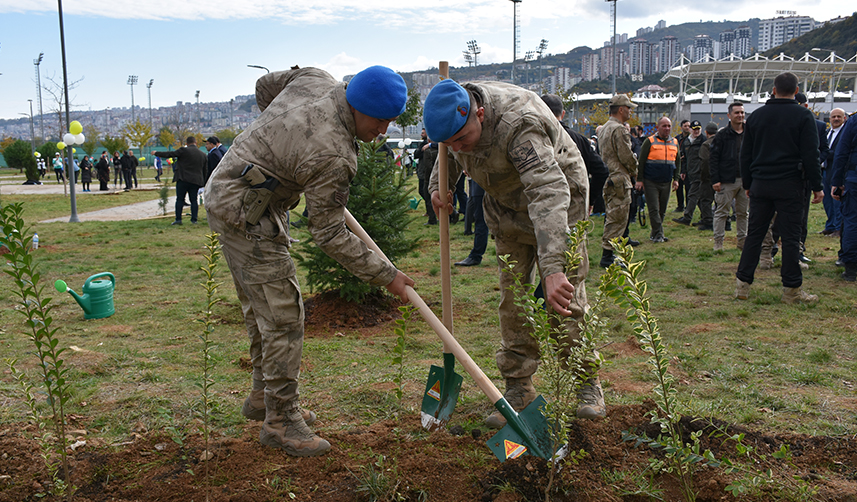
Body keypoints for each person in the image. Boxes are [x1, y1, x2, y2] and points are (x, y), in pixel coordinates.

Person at [204, 65, 414, 457]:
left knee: (261, 307)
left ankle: (263, 397)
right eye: (380, 121)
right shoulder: (333, 153)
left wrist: (279, 141)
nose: (384, 131)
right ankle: (281, 422)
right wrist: (388, 277)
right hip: (246, 213)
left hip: (230, 192)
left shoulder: (314, 78)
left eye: (391, 122)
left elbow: (264, 87)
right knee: (283, 315)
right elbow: (329, 233)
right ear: (358, 105)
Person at [424, 78, 602, 429]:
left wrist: (553, 268)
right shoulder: (453, 122)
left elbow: (548, 191)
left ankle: (586, 383)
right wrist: (438, 187)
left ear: (479, 113)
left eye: (462, 138)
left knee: (564, 298)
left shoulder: (518, 125)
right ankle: (519, 386)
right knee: (514, 297)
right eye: (450, 142)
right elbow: (449, 154)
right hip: (506, 208)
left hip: (558, 207)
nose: (458, 147)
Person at [735, 72, 822, 304]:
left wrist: (748, 183)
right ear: (796, 91)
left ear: (773, 90)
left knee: (755, 234)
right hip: (791, 184)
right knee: (791, 238)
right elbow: (811, 154)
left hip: (762, 184)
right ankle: (791, 291)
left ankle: (742, 286)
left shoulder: (756, 117)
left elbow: (746, 155)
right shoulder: (804, 116)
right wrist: (817, 186)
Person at [540, 94, 609, 221]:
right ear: (563, 113)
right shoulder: (580, 140)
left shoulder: (537, 139)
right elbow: (602, 171)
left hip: (543, 205)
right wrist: (589, 199)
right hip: (574, 204)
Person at [597, 95, 640, 267]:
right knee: (619, 218)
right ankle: (607, 255)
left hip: (609, 177)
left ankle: (610, 253)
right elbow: (626, 156)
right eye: (629, 108)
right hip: (619, 179)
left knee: (612, 216)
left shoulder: (605, 128)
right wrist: (636, 170)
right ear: (621, 109)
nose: (630, 111)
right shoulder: (620, 129)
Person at [710, 103, 749, 251]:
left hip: (745, 180)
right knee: (722, 212)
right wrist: (716, 180)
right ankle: (718, 242)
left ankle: (742, 241)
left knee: (743, 213)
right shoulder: (722, 135)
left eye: (742, 112)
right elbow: (713, 158)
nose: (740, 115)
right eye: (737, 113)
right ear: (729, 115)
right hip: (726, 180)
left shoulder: (749, 133)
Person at [635, 117, 681, 243]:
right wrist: (639, 180)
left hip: (666, 181)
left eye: (669, 126)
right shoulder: (649, 141)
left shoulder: (675, 142)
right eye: (664, 126)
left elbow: (677, 162)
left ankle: (655, 234)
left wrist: (676, 179)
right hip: (650, 181)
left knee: (662, 210)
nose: (667, 128)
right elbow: (642, 161)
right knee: (654, 209)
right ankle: (659, 234)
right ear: (658, 127)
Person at [154, 137, 208, 225]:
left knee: (180, 199)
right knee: (194, 200)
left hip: (183, 179)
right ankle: (194, 220)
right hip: (195, 181)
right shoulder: (203, 155)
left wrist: (156, 153)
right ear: (196, 143)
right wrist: (203, 183)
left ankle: (178, 219)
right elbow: (205, 170)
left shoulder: (183, 150)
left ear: (187, 143)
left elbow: (170, 154)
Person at [831, 111, 857, 281]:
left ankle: (851, 268)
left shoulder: (854, 121)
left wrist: (837, 181)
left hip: (854, 180)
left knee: (852, 222)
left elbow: (842, 152)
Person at [673, 120, 707, 227]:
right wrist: (683, 171)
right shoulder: (686, 141)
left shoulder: (703, 141)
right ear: (691, 130)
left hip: (700, 173)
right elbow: (684, 158)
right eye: (694, 129)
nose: (696, 131)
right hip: (690, 172)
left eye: (698, 129)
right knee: (699, 198)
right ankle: (708, 217)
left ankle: (687, 217)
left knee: (692, 195)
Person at [823, 109, 848, 237]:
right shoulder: (827, 133)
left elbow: (839, 152)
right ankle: (830, 225)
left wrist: (823, 153)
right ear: (829, 119)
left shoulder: (845, 133)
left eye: (839, 116)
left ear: (844, 118)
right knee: (827, 200)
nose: (836, 119)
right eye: (833, 117)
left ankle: (839, 228)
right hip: (825, 170)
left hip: (836, 171)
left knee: (836, 200)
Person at [454, 176, 488, 266]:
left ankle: (476, 256)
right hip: (477, 182)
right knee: (480, 218)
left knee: (481, 220)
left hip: (482, 183)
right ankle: (475, 255)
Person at [695, 122, 719, 231]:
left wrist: (703, 176)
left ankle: (708, 221)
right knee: (721, 201)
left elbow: (705, 161)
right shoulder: (722, 142)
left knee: (704, 200)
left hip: (709, 177)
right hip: (722, 177)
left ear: (706, 132)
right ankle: (726, 221)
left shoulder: (706, 144)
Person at [674, 119, 691, 212]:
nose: (687, 128)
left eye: (688, 126)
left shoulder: (691, 138)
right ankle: (680, 205)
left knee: (688, 187)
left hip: (688, 165)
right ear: (682, 127)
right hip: (679, 165)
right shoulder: (677, 139)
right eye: (685, 126)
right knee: (678, 187)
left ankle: (688, 206)